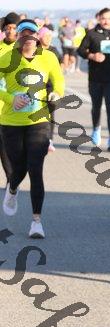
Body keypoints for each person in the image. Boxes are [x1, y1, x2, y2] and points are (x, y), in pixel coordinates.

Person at [0, 19, 64, 238]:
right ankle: (12, 189)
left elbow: (58, 81)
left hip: (39, 121)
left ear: (37, 37)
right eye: (23, 34)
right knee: (19, 168)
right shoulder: (6, 57)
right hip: (11, 123)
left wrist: (56, 94)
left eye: (32, 34)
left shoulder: (49, 57)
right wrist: (11, 99)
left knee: (35, 168)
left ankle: (36, 222)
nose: (28, 38)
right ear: (18, 37)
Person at [78, 7, 110, 152]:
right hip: (95, 78)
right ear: (99, 19)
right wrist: (92, 56)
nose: (106, 21)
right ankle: (96, 130)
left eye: (109, 18)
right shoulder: (91, 34)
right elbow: (80, 50)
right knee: (96, 106)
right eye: (103, 18)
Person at [0, 12, 20, 184]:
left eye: (13, 28)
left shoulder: (23, 49)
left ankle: (12, 178)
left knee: (11, 145)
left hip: (17, 105)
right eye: (7, 28)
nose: (10, 31)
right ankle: (10, 179)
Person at [38, 26, 63, 152]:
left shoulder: (54, 50)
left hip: (51, 86)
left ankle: (49, 140)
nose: (48, 38)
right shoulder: (35, 50)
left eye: (50, 36)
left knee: (51, 113)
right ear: (39, 37)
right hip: (38, 86)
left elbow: (61, 64)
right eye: (45, 36)